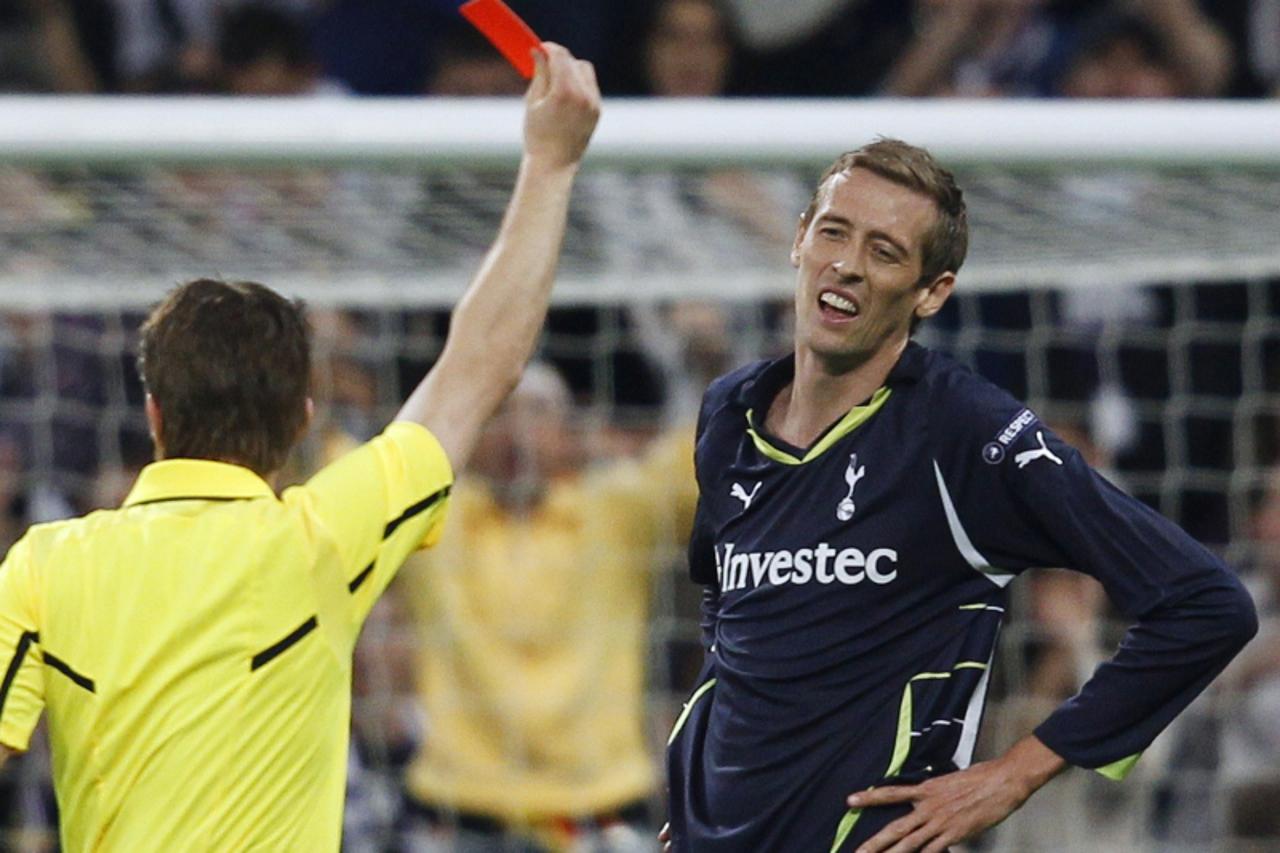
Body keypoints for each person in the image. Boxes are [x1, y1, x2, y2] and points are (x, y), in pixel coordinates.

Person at [0, 43, 600, 852]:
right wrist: (550, 165)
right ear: (300, 421)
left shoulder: (44, 565)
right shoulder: (322, 539)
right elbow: (477, 368)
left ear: (152, 413)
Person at [662, 139, 1258, 852]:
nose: (848, 264)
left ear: (931, 290)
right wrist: (709, 788)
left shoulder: (964, 431)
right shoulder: (730, 412)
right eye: (834, 231)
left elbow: (1207, 604)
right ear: (799, 239)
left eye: (884, 251)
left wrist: (1013, 772)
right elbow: (726, 603)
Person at [394, 360, 697, 851]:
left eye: (536, 411)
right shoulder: (432, 518)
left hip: (596, 808)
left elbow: (702, 456)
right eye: (499, 412)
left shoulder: (619, 511)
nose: (517, 430)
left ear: (570, 431)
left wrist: (696, 358)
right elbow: (325, 461)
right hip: (458, 809)